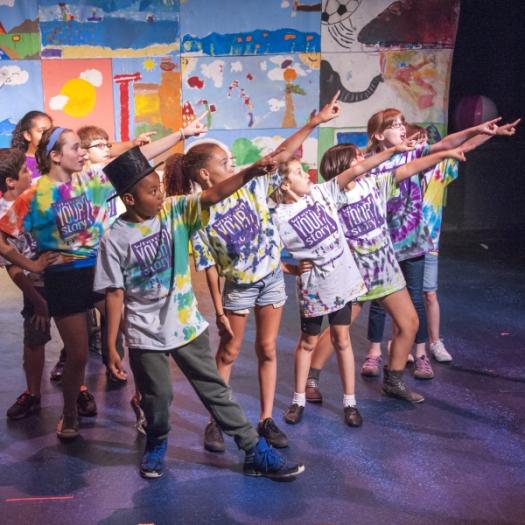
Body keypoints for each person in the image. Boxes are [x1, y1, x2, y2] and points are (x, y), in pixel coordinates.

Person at [95, 145, 305, 480]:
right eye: (151, 192)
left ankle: (254, 450)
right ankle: (156, 440)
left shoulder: (175, 210)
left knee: (215, 390)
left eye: (159, 187)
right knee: (158, 397)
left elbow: (212, 195)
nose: (160, 195)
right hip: (144, 333)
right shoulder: (114, 238)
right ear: (129, 199)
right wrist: (110, 345)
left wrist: (250, 172)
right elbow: (115, 293)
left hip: (185, 325)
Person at [0, 117, 206, 440]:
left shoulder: (94, 178)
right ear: (55, 156)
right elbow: (3, 236)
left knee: (137, 338)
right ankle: (70, 412)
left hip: (100, 270)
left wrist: (182, 133)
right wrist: (32, 264)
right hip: (64, 278)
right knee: (79, 354)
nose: (82, 153)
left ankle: (142, 400)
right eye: (75, 148)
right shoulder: (35, 195)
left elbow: (140, 157)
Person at [306, 109, 504, 395]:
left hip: (387, 265)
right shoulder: (334, 193)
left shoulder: (376, 183)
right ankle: (312, 377)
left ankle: (394, 379)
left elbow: (414, 166)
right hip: (357, 272)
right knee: (340, 328)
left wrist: (449, 152)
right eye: (357, 158)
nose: (362, 160)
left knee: (410, 322)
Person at [0, 148, 50, 419]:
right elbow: (13, 266)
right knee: (35, 335)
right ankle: (33, 393)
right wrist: (38, 301)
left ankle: (79, 389)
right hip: (35, 284)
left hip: (64, 274)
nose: (31, 174)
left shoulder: (38, 194)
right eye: (24, 171)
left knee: (78, 334)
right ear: (10, 181)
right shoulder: (3, 216)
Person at [11, 111, 52, 180]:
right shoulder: (19, 164)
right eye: (42, 131)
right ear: (28, 135)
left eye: (51, 131)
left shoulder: (56, 160)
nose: (49, 135)